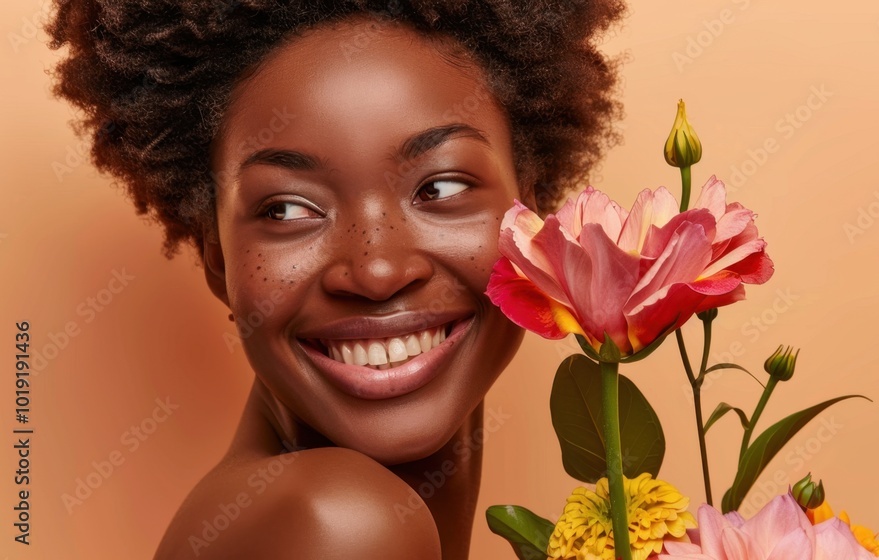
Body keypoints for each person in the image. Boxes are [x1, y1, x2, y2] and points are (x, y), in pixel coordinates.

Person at [46, 1, 625, 558]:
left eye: (440, 189)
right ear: (217, 258)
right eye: (289, 210)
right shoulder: (339, 524)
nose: (375, 272)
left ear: (533, 212)